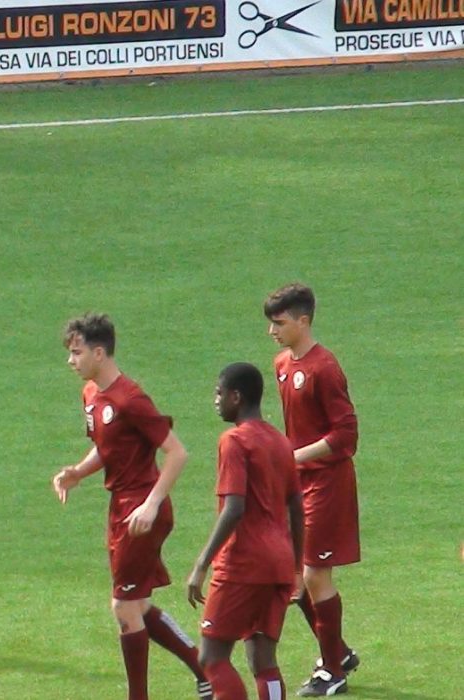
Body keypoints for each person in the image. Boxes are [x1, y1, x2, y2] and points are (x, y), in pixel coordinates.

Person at [50, 314, 212, 700]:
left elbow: (177, 453)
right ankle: (205, 671)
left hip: (141, 511)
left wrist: (151, 504)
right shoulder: (91, 394)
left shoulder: (130, 398)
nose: (70, 361)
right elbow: (107, 449)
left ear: (99, 352)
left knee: (124, 607)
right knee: (135, 604)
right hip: (121, 508)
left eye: (77, 353)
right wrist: (79, 472)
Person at [263, 283, 361, 697]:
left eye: (280, 323)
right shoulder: (282, 364)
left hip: (327, 481)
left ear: (304, 321)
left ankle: (333, 672)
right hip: (298, 481)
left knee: (313, 575)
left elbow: (346, 435)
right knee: (292, 574)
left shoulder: (325, 368)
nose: (273, 332)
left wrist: (293, 456)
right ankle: (336, 651)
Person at [185, 363, 304, 700]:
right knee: (263, 659)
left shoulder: (234, 441)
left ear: (236, 397)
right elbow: (297, 507)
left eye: (219, 393)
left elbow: (234, 509)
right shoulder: (281, 442)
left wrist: (201, 564)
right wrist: (296, 567)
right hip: (279, 563)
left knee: (211, 657)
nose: (216, 400)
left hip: (243, 562)